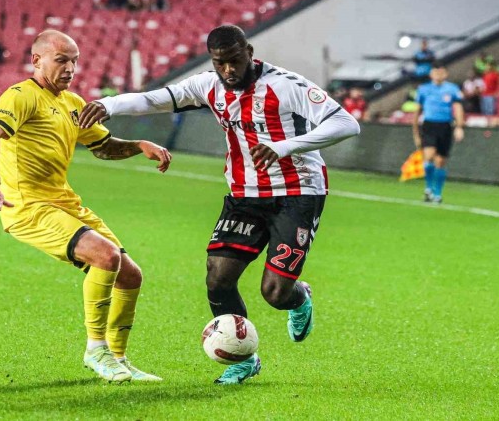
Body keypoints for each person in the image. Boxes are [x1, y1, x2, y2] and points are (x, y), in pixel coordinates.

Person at [79, 24, 360, 385]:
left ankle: (299, 296)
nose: (228, 70)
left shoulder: (286, 85)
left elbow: (346, 123)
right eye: (219, 63)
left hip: (298, 192)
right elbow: (153, 99)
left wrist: (284, 146)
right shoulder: (207, 86)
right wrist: (108, 105)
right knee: (218, 277)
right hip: (244, 195)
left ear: (249, 53)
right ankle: (245, 360)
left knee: (275, 293)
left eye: (234, 61)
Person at [0, 30, 170, 383]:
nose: (70, 68)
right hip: (28, 206)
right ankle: (96, 349)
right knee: (105, 256)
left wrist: (139, 144)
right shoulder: (21, 96)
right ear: (37, 60)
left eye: (75, 61)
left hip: (64, 203)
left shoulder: (73, 103)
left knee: (130, 275)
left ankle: (118, 357)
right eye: (62, 60)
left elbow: (103, 147)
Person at [411, 63, 465, 204]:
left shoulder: (452, 89)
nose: (439, 75)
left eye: (441, 72)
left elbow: (458, 107)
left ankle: (437, 193)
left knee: (440, 161)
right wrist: (415, 133)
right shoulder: (424, 89)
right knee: (429, 156)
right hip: (429, 125)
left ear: (446, 74)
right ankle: (429, 187)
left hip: (445, 126)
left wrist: (459, 126)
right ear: (431, 74)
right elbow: (417, 111)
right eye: (436, 72)